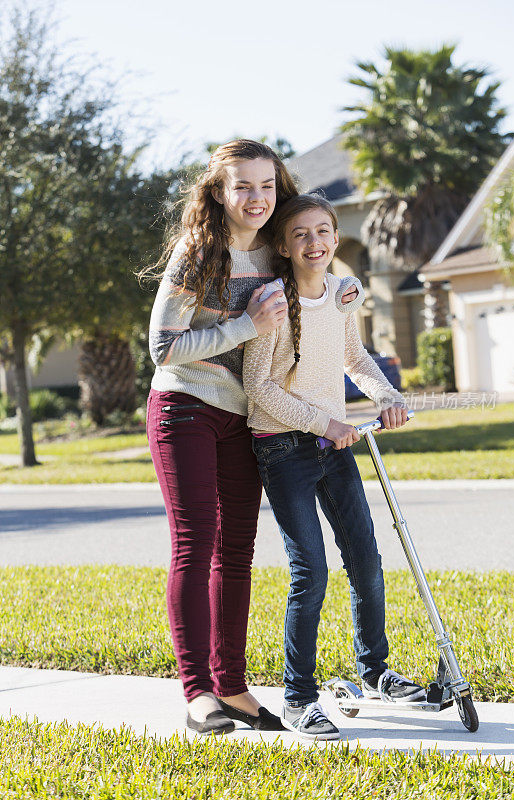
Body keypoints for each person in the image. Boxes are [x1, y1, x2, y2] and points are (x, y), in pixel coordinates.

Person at [144, 141, 361, 736]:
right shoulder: (199, 253)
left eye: (268, 186)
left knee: (236, 552)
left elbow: (319, 274)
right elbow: (162, 347)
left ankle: (233, 688)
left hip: (243, 415)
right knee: (196, 543)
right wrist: (246, 325)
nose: (258, 198)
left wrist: (346, 291)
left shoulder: (274, 250)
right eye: (244, 187)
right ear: (219, 192)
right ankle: (198, 695)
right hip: (184, 404)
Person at [242, 194, 425, 741]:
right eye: (300, 234)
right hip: (283, 447)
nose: (314, 242)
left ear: (336, 237)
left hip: (334, 446)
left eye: (323, 231)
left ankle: (373, 672)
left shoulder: (343, 296)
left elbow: (356, 358)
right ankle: (297, 698)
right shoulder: (271, 300)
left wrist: (385, 396)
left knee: (366, 557)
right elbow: (258, 389)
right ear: (282, 244)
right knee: (311, 572)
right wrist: (325, 424)